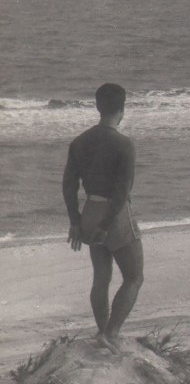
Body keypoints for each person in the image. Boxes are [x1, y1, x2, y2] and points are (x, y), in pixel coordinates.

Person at [62, 83, 144, 352]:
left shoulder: (79, 141)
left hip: (90, 212)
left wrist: (75, 221)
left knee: (101, 277)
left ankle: (101, 331)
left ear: (98, 107)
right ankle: (111, 333)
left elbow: (68, 186)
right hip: (114, 216)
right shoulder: (124, 144)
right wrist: (107, 226)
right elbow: (122, 193)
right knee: (134, 277)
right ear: (122, 110)